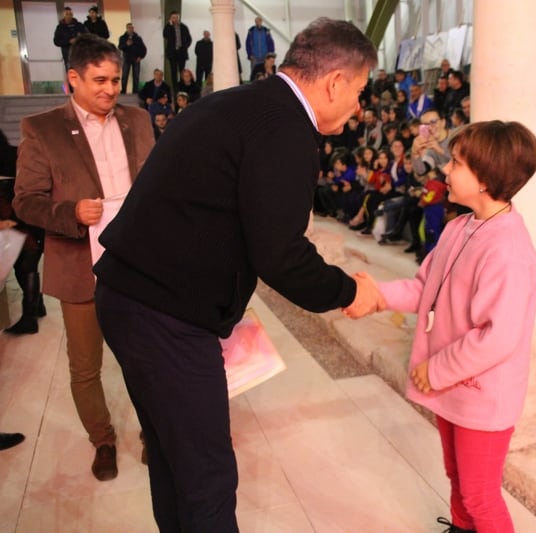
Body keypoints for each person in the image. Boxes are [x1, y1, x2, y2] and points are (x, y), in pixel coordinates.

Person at [93, 18, 380, 532]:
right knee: (207, 478)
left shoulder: (238, 102)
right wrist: (347, 291)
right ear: (335, 81)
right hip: (165, 316)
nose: (358, 106)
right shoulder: (287, 129)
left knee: (174, 458)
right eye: (359, 91)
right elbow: (281, 255)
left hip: (131, 298)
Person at [366, 120, 536, 533]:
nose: (445, 169)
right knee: (458, 477)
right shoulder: (459, 227)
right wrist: (374, 296)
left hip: (482, 393)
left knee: (481, 494)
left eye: (457, 163)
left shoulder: (508, 250)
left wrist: (438, 368)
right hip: (451, 386)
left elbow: (498, 337)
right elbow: (425, 289)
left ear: (485, 178)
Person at [13, 34, 154, 481]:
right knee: (86, 365)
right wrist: (71, 212)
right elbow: (25, 201)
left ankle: (153, 434)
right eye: (100, 80)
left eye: (115, 79)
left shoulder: (138, 120)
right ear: (73, 78)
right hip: (80, 267)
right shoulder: (43, 129)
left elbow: (158, 183)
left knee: (146, 359)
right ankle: (103, 440)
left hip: (138, 265)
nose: (111, 89)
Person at [1, 129, 45, 335]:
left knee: (25, 266)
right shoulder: (17, 153)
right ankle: (37, 306)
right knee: (27, 266)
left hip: (16, 221)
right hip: (30, 217)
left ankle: (30, 318)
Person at [163, 11, 192, 96]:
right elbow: (165, 35)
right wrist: (169, 25)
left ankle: (182, 87)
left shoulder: (183, 27)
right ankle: (175, 88)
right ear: (170, 18)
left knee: (182, 70)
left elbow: (189, 39)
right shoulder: (168, 27)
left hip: (181, 52)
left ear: (178, 17)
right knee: (173, 71)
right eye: (173, 17)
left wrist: (185, 46)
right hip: (172, 52)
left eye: (176, 17)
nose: (175, 19)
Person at [53, 7, 87, 71]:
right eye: (67, 14)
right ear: (64, 15)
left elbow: (87, 36)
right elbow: (56, 41)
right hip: (67, 55)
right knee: (70, 71)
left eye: (70, 14)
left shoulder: (79, 25)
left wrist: (79, 38)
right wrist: (68, 41)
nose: (69, 16)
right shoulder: (60, 27)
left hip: (80, 53)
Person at [118, 22, 147, 94]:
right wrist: (126, 44)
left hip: (136, 59)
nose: (131, 29)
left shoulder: (138, 38)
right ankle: (123, 91)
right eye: (129, 28)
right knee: (124, 75)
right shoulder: (122, 38)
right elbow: (120, 47)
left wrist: (141, 57)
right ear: (127, 29)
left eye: (132, 28)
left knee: (136, 76)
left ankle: (135, 92)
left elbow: (144, 49)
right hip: (126, 59)